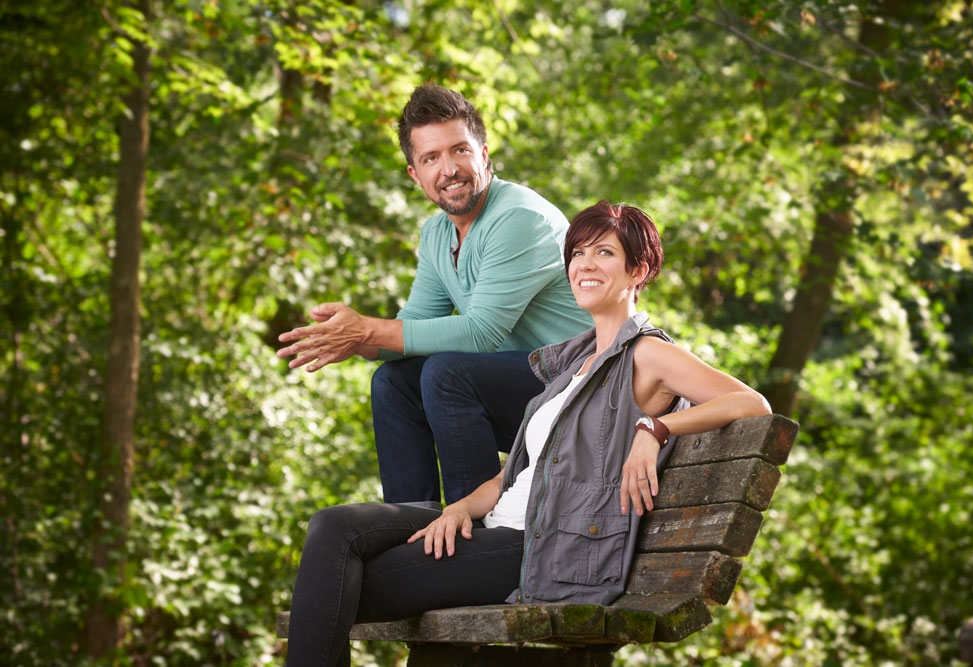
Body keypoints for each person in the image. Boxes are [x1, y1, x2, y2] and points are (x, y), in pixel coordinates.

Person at [284, 200, 772, 666]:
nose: (586, 264)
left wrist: (655, 428)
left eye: (605, 252)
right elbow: (514, 478)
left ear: (638, 271)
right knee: (334, 526)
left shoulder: (646, 354)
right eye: (577, 253)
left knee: (341, 583)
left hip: (540, 545)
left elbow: (753, 404)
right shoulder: (572, 367)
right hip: (498, 522)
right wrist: (458, 509)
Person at [276, 85, 592, 507]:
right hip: (525, 392)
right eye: (431, 158)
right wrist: (352, 339)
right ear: (414, 174)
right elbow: (413, 325)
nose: (449, 169)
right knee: (392, 381)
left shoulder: (518, 217)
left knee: (446, 373)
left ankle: (475, 527)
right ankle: (411, 519)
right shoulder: (438, 233)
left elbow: (482, 334)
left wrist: (368, 328)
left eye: (460, 150)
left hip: (580, 389)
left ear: (483, 153)